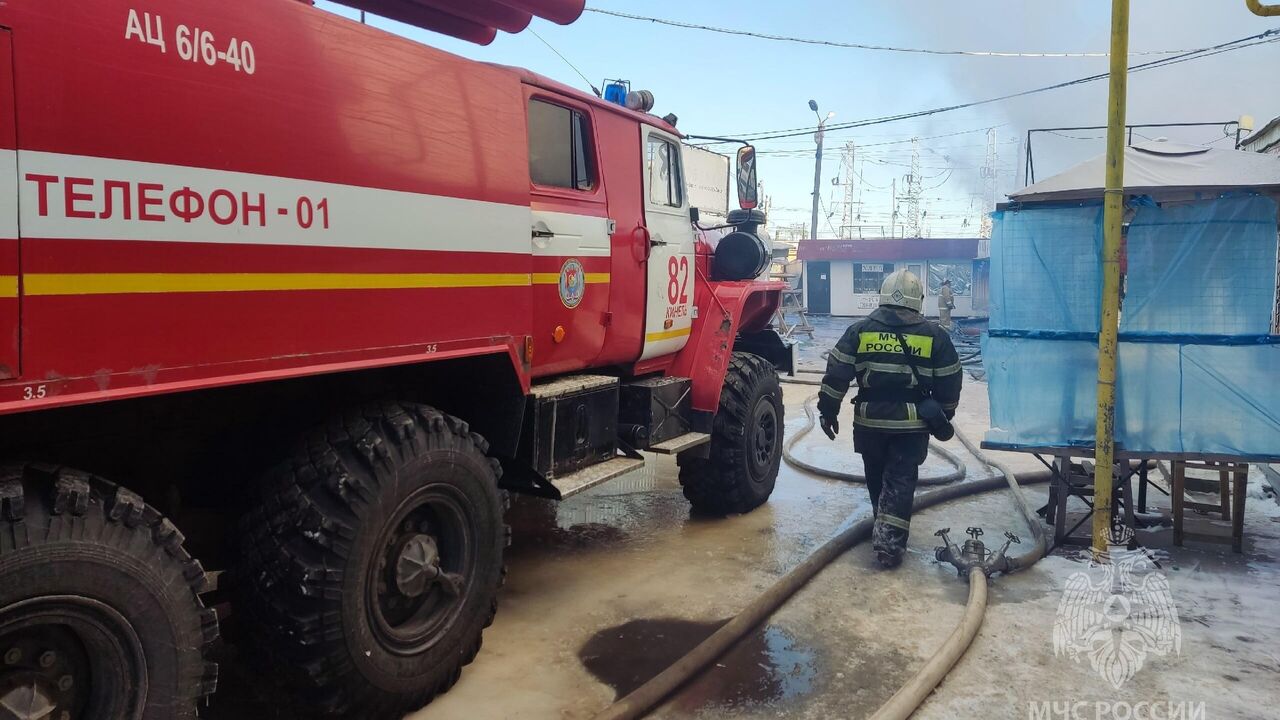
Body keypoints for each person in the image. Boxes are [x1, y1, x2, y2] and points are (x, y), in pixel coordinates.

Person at [817, 269, 963, 568]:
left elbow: (836, 374)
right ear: (918, 300)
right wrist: (943, 414)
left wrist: (828, 411)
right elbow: (950, 381)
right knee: (900, 480)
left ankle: (883, 528)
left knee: (876, 476)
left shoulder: (859, 330)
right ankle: (889, 545)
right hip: (911, 425)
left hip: (869, 422)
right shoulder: (935, 336)